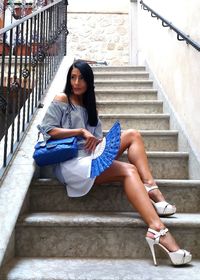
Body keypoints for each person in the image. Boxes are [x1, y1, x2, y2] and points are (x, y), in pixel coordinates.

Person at [38, 60, 192, 266]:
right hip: (71, 164)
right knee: (128, 170)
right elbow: (48, 129)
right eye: (73, 77)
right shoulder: (63, 99)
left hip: (90, 155)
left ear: (89, 81)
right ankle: (157, 228)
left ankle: (153, 191)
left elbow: (94, 139)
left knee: (133, 135)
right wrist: (79, 131)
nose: (76, 82)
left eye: (81, 78)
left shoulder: (91, 107)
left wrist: (101, 141)